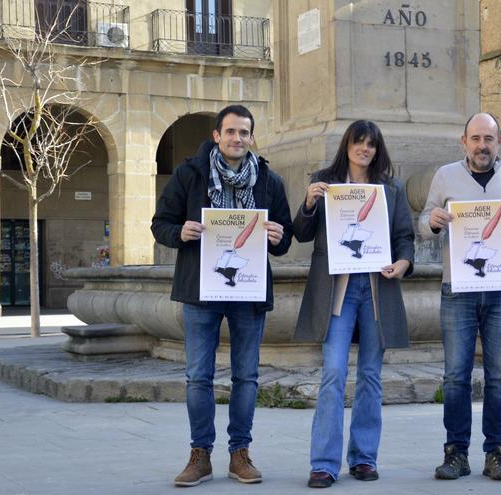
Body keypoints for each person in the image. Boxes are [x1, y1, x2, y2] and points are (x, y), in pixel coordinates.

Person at [151, 105, 293, 487]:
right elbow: (159, 224)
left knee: (246, 377)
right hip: (200, 291)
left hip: (248, 293)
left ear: (251, 137)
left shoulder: (269, 180)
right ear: (216, 135)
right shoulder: (189, 174)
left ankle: (239, 453)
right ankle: (200, 454)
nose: (237, 139)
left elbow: (284, 237)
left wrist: (279, 238)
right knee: (199, 376)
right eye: (230, 132)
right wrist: (179, 232)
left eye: (244, 133)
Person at [419, 112, 501, 481]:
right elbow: (424, 221)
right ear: (465, 142)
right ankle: (456, 453)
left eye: (488, 139)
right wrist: (432, 222)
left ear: (499, 141)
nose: (482, 146)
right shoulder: (445, 175)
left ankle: (497, 452)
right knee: (455, 376)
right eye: (475, 139)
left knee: (500, 376)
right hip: (457, 289)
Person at [292, 120, 415, 489]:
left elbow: (404, 237)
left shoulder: (390, 189)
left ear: (378, 149)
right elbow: (301, 232)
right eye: (359, 142)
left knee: (371, 377)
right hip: (338, 293)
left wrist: (404, 264)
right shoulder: (325, 182)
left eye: (371, 144)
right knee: (332, 373)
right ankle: (324, 464)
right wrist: (310, 202)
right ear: (347, 145)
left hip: (376, 290)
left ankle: (363, 458)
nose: (365, 149)